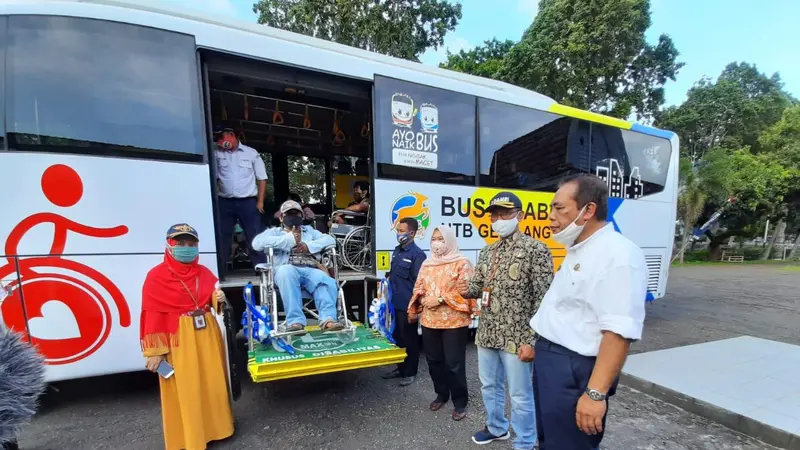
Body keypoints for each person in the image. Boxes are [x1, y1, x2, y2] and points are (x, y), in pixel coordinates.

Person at [530, 174, 647, 450]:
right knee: (550, 440)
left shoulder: (618, 256)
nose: (550, 217)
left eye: (559, 208)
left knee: (570, 444)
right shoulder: (578, 249)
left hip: (574, 369)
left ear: (588, 210)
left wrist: (594, 395)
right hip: (551, 361)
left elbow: (618, 333)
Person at [456, 192, 553, 450]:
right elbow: (478, 286)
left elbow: (544, 300)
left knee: (520, 395)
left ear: (519, 215)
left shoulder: (536, 250)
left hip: (518, 336)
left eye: (505, 214)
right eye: (494, 215)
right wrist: (464, 288)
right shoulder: (488, 252)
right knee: (490, 386)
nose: (498, 219)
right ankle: (497, 428)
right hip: (487, 332)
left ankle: (525, 441)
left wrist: (533, 341)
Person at [140, 224, 234, 450]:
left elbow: (214, 303)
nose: (186, 248)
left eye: (191, 244)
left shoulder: (204, 272)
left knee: (212, 383)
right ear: (169, 246)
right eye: (180, 244)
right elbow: (152, 315)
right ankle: (191, 437)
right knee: (187, 387)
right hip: (179, 337)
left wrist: (218, 299)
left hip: (206, 331)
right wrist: (155, 353)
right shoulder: (156, 276)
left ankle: (218, 429)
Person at [407, 226, 475, 421]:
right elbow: (418, 286)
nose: (437, 243)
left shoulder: (462, 263)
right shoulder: (427, 264)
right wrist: (421, 299)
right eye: (434, 239)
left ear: (450, 241)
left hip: (454, 322)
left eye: (441, 239)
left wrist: (440, 299)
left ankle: (460, 401)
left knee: (454, 363)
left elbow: (467, 291)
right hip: (429, 321)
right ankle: (442, 394)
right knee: (434, 361)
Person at [252, 200, 344, 332]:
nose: (293, 216)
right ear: (281, 217)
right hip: (286, 269)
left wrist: (309, 246)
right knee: (286, 272)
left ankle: (328, 320)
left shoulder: (309, 231)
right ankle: (295, 322)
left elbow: (330, 239)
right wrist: (288, 240)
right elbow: (257, 243)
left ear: (302, 216)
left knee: (326, 280)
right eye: (289, 214)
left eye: (296, 213)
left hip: (310, 269)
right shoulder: (275, 232)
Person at [214, 126, 268, 278]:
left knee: (254, 234)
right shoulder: (216, 153)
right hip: (225, 201)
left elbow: (262, 178)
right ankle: (221, 269)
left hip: (248, 201)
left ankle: (260, 268)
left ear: (231, 135)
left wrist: (260, 201)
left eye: (221, 137)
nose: (219, 141)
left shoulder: (251, 153)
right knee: (223, 234)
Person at [382, 217, 426, 386]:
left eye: (401, 231)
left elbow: (419, 284)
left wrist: (414, 308)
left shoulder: (417, 255)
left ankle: (410, 372)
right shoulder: (397, 251)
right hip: (395, 303)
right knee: (397, 337)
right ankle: (400, 368)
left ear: (412, 233)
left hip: (407, 305)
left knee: (410, 339)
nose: (399, 233)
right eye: (398, 230)